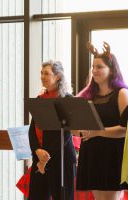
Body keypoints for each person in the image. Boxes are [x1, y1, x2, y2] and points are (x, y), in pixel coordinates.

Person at [76, 42, 128, 200]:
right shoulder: (87, 96)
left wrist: (96, 132)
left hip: (113, 154)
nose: (94, 70)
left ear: (111, 70)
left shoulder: (122, 93)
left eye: (99, 67)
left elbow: (125, 130)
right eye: (93, 66)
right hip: (92, 152)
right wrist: (80, 130)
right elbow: (76, 128)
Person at [28, 61, 76, 200]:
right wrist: (37, 150)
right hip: (39, 157)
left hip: (61, 160)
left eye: (47, 73)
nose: (42, 76)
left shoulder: (67, 99)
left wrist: (45, 158)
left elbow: (66, 134)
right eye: (41, 73)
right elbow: (32, 130)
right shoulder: (39, 99)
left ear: (58, 77)